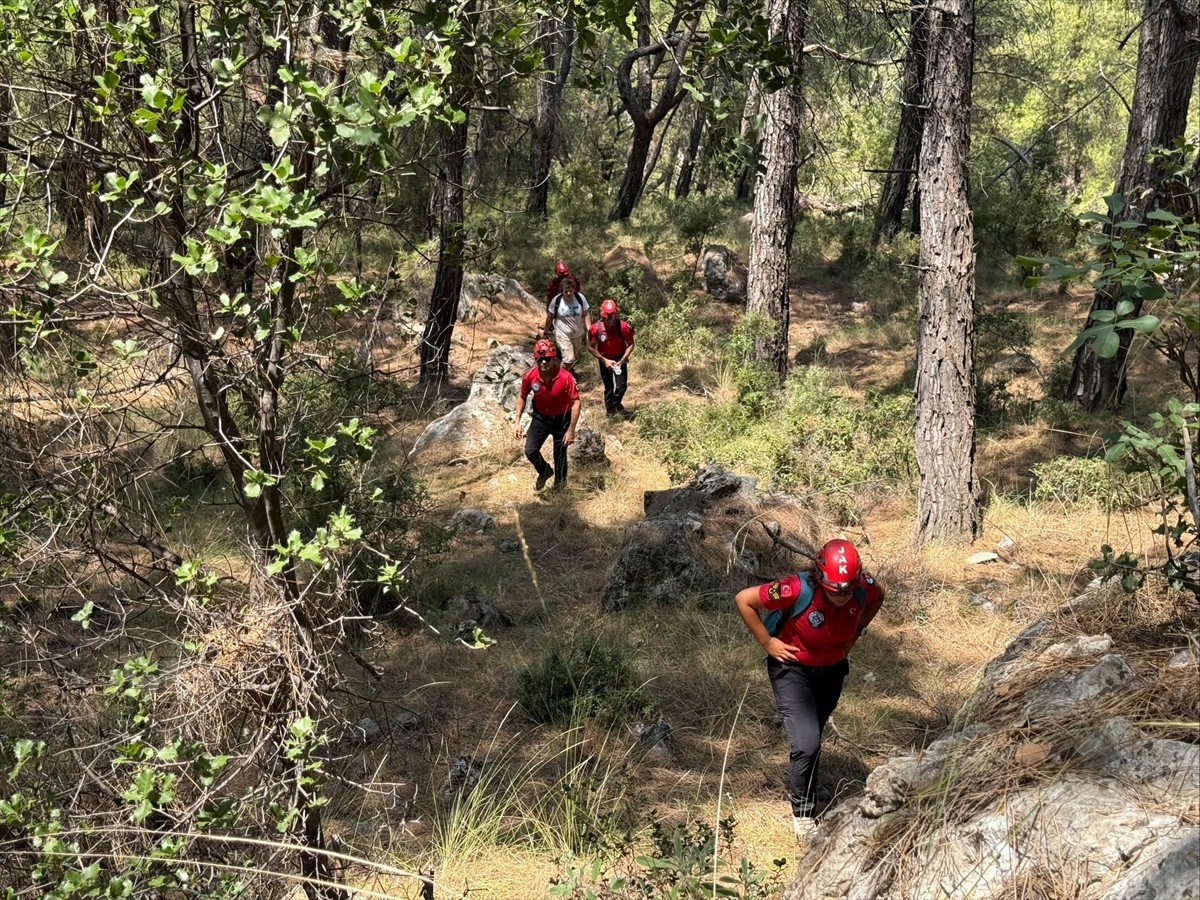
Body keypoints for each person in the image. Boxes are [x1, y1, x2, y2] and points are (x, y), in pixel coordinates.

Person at [733, 538, 884, 842]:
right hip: (792, 670)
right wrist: (767, 642)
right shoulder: (795, 588)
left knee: (814, 732)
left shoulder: (863, 587)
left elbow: (878, 596)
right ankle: (803, 814)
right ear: (819, 577)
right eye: (834, 589)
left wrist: (858, 630)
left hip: (832, 670)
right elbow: (744, 600)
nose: (842, 596)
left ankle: (809, 784)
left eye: (847, 589)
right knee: (806, 743)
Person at [513, 339, 581, 492]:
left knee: (560, 455)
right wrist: (517, 421)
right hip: (540, 418)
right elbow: (522, 396)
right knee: (530, 450)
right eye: (540, 359)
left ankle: (559, 488)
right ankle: (544, 471)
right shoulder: (530, 376)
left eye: (547, 359)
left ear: (553, 358)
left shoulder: (565, 377)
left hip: (562, 419)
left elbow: (576, 402)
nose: (544, 362)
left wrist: (571, 429)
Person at [586, 298, 635, 417]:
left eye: (612, 317)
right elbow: (590, 347)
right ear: (603, 316)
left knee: (621, 386)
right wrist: (604, 360)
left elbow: (631, 343)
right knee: (609, 386)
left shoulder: (623, 327)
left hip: (619, 358)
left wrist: (623, 360)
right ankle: (610, 411)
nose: (610, 320)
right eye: (607, 317)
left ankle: (616, 404)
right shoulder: (596, 329)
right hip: (605, 359)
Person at [543, 279, 591, 375]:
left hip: (577, 334)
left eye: (571, 291)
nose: (568, 293)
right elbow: (550, 316)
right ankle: (560, 380)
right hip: (563, 334)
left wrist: (590, 330)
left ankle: (559, 374)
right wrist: (546, 331)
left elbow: (586, 314)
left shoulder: (580, 298)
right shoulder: (556, 301)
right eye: (566, 291)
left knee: (571, 359)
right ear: (562, 291)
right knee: (569, 359)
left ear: (574, 290)